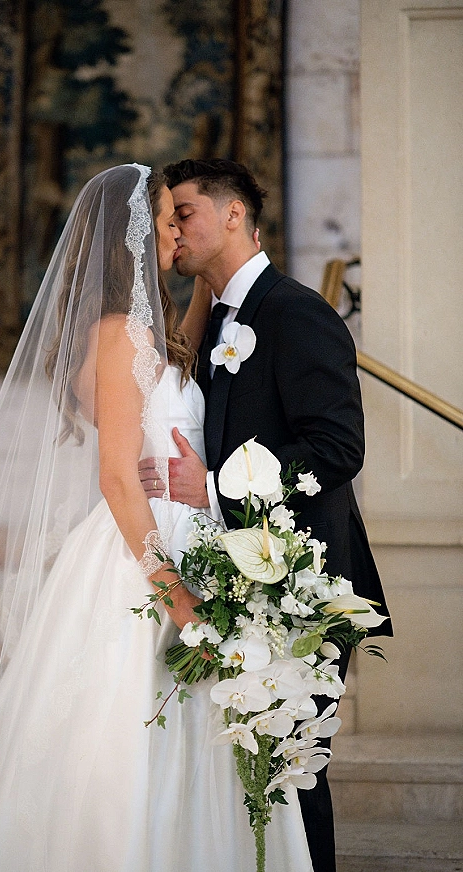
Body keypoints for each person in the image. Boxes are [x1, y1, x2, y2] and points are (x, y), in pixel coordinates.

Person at [0, 165, 314, 871]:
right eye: (167, 219)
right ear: (134, 237)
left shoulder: (148, 332)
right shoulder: (120, 336)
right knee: (123, 751)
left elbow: (177, 363)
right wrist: (181, 604)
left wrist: (214, 272)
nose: (178, 228)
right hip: (138, 566)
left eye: (184, 217)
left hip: (180, 535)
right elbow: (118, 478)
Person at [140, 158, 393, 872]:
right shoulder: (218, 317)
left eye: (183, 213)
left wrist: (216, 486)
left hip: (300, 587)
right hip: (240, 582)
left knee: (290, 780)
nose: (174, 231)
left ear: (232, 214)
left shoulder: (296, 311)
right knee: (247, 789)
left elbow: (338, 448)